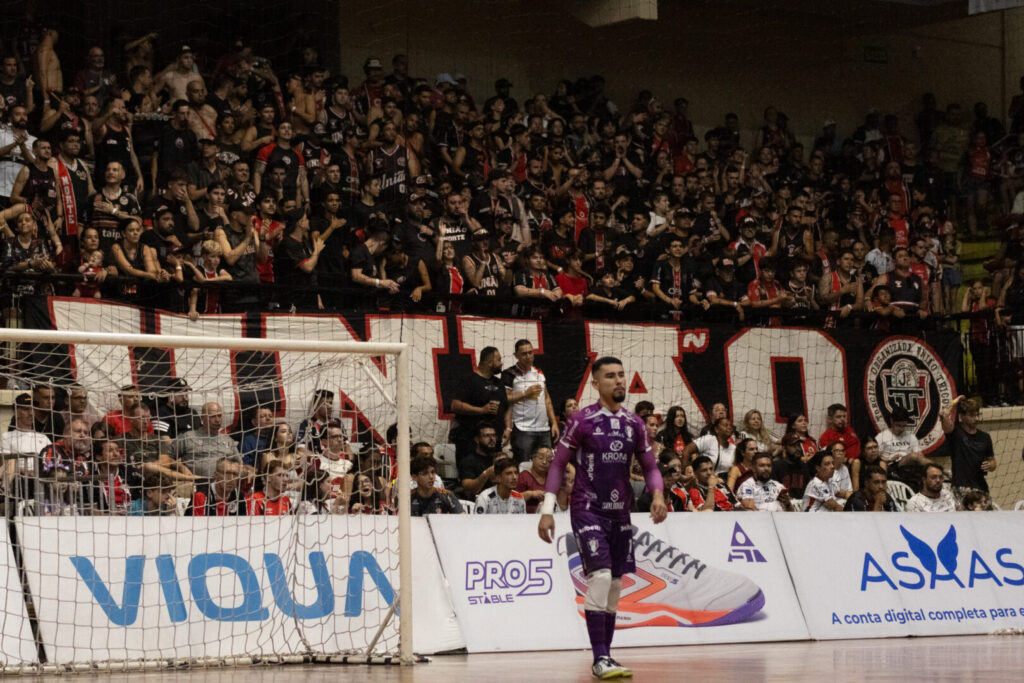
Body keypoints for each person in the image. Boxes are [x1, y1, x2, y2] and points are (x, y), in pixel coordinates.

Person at [537, 356, 666, 680]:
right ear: (595, 384)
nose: (619, 380)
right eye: (610, 376)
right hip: (588, 507)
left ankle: (606, 656)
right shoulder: (582, 420)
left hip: (620, 512)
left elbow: (650, 467)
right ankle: (600, 658)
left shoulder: (635, 424)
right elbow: (558, 464)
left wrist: (658, 496)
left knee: (616, 585)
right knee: (601, 577)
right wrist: (548, 511)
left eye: (621, 375)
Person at [501, 339, 558, 463]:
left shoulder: (539, 372)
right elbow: (505, 398)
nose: (528, 356)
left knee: (546, 465)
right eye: (524, 354)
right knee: (524, 465)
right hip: (523, 429)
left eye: (530, 352)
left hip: (544, 429)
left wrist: (553, 423)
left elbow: (547, 399)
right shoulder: (509, 373)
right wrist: (525, 394)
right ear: (516, 355)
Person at [449, 346, 508, 462]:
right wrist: (481, 410)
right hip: (470, 441)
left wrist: (508, 428)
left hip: (494, 442)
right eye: (498, 360)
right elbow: (455, 405)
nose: (501, 363)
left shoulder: (499, 383)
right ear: (489, 362)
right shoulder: (468, 380)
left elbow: (506, 406)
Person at [939, 396, 996, 503]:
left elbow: (993, 461)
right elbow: (943, 413)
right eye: (972, 415)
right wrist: (955, 401)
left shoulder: (985, 437)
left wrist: (990, 465)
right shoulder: (955, 434)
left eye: (977, 415)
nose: (976, 418)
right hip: (961, 487)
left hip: (981, 487)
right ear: (961, 416)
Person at [457, 422, 501, 499]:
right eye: (487, 436)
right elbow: (468, 490)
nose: (492, 439)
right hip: (477, 500)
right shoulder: (468, 461)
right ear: (477, 439)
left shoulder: (499, 458)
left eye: (494, 435)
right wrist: (486, 473)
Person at [516, 446, 553, 513]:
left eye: (548, 460)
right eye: (541, 458)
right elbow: (513, 500)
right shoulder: (523, 477)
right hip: (527, 516)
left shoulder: (552, 477)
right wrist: (531, 494)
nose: (544, 462)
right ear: (533, 458)